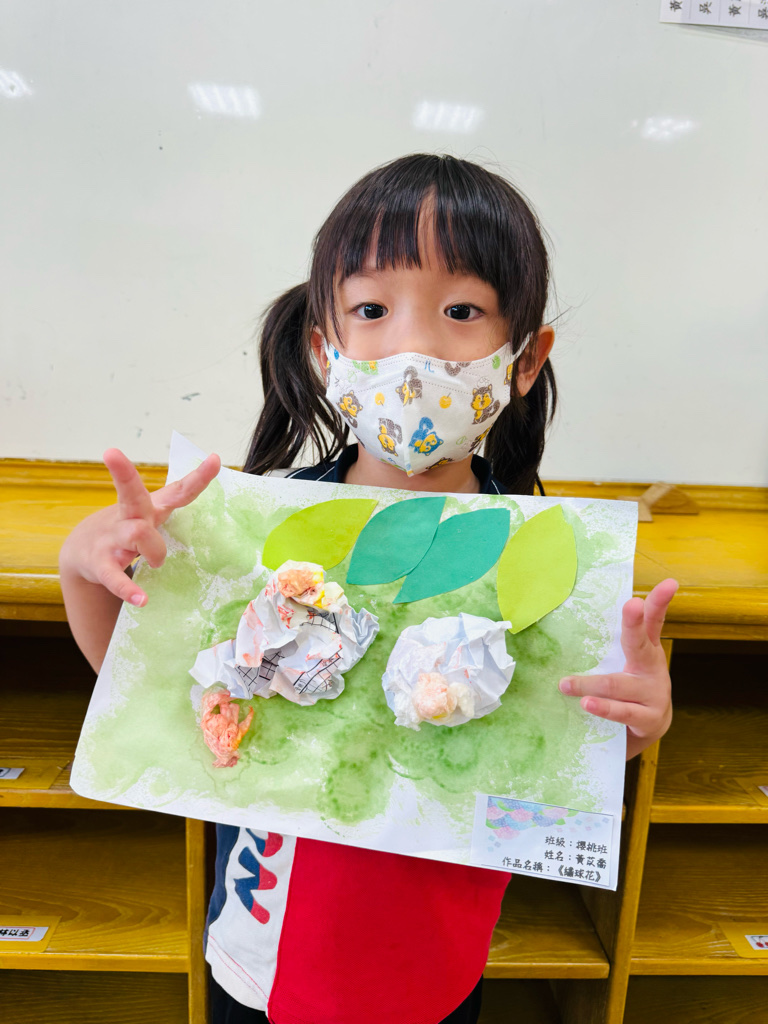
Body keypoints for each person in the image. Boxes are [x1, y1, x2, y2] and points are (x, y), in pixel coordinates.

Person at [59, 153, 677, 1024]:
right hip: (262, 955)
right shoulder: (259, 533)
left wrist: (637, 725)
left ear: (524, 359)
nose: (414, 350)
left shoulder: (542, 564)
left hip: (437, 965)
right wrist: (84, 560)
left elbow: (547, 755)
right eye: (373, 310)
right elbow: (147, 683)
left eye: (461, 311)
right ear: (327, 347)